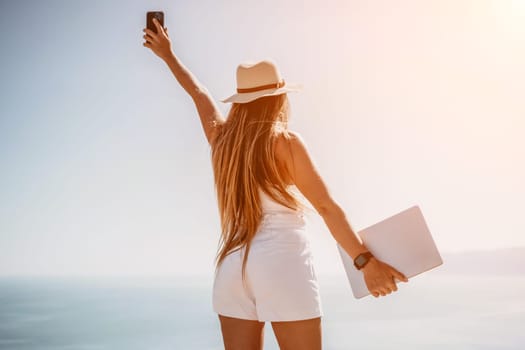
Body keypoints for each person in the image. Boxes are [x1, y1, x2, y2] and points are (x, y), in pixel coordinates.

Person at [143, 17, 409, 350]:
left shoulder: (221, 140)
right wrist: (365, 262)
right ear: (278, 97)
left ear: (240, 100)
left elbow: (198, 92)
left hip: (232, 269)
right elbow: (326, 207)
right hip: (282, 264)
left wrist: (167, 54)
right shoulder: (284, 142)